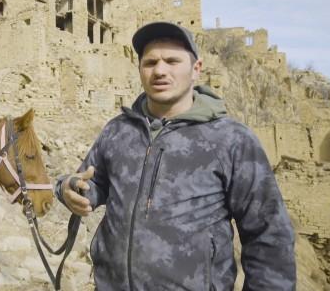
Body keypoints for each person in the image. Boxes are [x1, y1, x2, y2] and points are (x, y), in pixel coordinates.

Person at [55, 22, 296, 290]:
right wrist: (67, 188)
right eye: (150, 62)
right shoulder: (118, 130)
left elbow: (269, 237)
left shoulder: (231, 139)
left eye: (172, 61)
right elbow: (91, 182)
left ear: (196, 69)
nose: (160, 70)